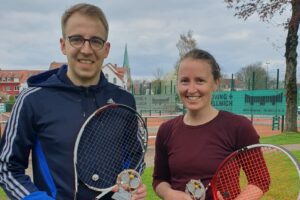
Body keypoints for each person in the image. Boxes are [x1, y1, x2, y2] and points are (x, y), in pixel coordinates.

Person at [0, 3, 146, 200]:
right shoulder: (32, 100)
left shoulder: (124, 100)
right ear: (63, 44)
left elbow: (135, 158)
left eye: (96, 41)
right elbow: (7, 167)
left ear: (106, 49)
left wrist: (128, 188)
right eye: (76, 39)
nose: (86, 50)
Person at [152, 48, 269, 200]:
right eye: (185, 81)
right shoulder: (166, 130)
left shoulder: (238, 126)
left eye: (200, 80)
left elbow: (260, 180)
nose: (191, 89)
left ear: (215, 83)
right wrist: (170, 194)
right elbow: (159, 180)